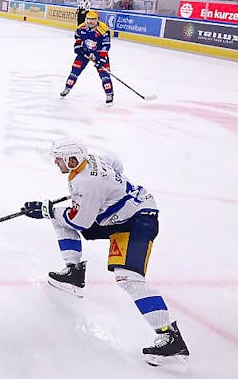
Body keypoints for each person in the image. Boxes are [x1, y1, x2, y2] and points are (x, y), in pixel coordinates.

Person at [23, 139, 189, 366]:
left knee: (128, 277)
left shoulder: (87, 183)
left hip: (139, 221)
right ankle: (73, 273)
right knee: (60, 217)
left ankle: (170, 337)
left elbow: (81, 221)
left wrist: (46, 210)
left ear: (73, 161)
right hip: (126, 214)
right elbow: (116, 165)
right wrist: (104, 196)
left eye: (59, 159)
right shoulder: (89, 161)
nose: (55, 162)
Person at [60, 10, 113, 104]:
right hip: (85, 52)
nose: (90, 21)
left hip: (98, 53)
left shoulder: (103, 29)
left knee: (104, 75)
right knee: (75, 71)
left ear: (97, 19)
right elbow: (78, 38)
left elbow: (106, 45)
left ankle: (109, 94)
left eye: (93, 19)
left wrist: (101, 59)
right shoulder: (81, 28)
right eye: (88, 19)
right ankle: (67, 88)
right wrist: (78, 47)